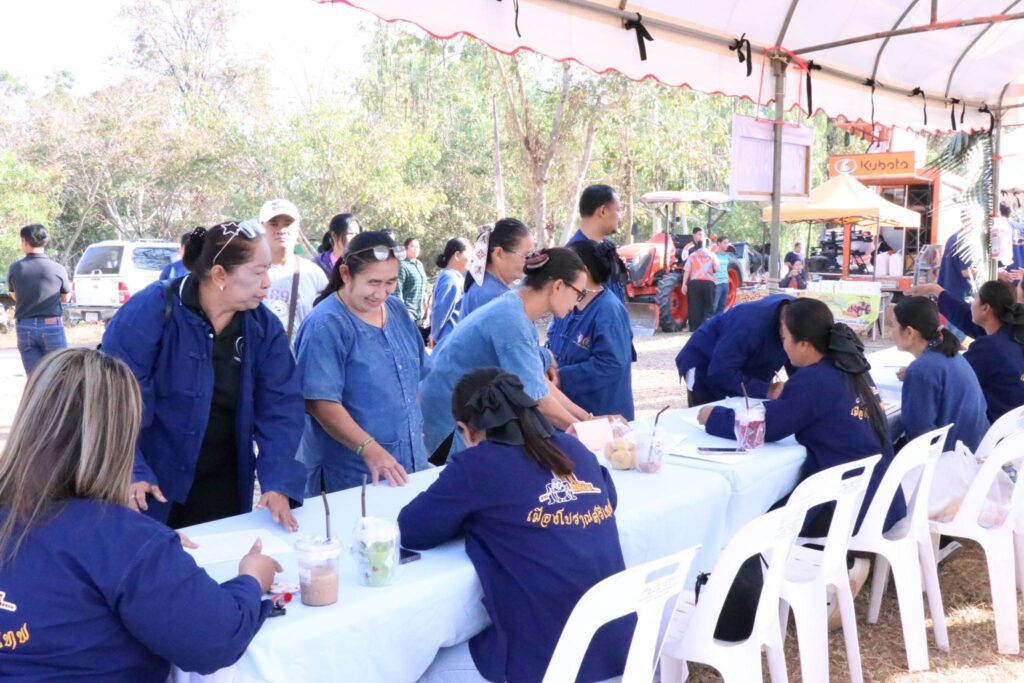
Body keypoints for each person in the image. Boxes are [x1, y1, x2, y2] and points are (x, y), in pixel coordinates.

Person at [0, 348, 281, 682]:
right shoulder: (122, 540)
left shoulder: (116, 540)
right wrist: (252, 578)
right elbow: (216, 640)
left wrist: (148, 552)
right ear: (119, 437)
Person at [400, 368, 631, 683]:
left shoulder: (480, 465)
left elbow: (413, 529)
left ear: (466, 429)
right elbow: (609, 498)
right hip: (623, 651)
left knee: (420, 672)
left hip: (549, 663)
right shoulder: (572, 447)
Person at [102, 222, 306, 530]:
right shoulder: (151, 310)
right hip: (151, 480)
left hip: (223, 478)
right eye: (257, 272)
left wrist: (278, 480)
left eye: (268, 271)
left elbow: (281, 406)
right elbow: (110, 400)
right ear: (220, 274)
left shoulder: (262, 327)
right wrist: (131, 469)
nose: (267, 282)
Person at [698, 298, 905, 535]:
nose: (783, 347)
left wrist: (714, 417)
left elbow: (766, 427)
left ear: (804, 344)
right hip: (881, 497)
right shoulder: (850, 365)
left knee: (748, 525)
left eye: (785, 339)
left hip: (848, 507)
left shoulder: (814, 380)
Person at [421, 248, 597, 463]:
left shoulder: (514, 308)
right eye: (579, 293)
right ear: (558, 286)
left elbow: (537, 384)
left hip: (455, 411)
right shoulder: (512, 321)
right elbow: (537, 400)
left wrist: (588, 419)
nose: (577, 303)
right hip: (449, 421)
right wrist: (586, 432)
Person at [295, 231, 426, 494]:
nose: (381, 292)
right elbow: (319, 402)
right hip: (351, 475)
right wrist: (369, 449)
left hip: (407, 464)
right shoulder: (326, 324)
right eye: (373, 282)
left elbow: (416, 376)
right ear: (346, 274)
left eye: (390, 282)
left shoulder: (397, 310)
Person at [546, 240, 635, 420]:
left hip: (602, 414)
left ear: (583, 271)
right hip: (571, 411)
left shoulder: (609, 311)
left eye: (565, 265)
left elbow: (611, 365)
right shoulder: (567, 304)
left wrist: (562, 376)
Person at [890, 296, 988, 452]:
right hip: (976, 446)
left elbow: (919, 436)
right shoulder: (951, 354)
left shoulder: (921, 369)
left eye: (893, 325)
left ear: (909, 332)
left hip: (950, 457)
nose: (891, 332)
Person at [675, 294, 794, 406]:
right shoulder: (749, 326)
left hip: (741, 364)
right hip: (705, 362)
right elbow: (720, 372)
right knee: (709, 414)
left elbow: (799, 369)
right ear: (783, 326)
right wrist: (765, 389)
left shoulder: (799, 319)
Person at [259, 198, 329, 344]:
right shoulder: (249, 274)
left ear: (297, 229)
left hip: (302, 357)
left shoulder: (314, 274)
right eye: (274, 224)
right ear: (261, 229)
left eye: (288, 224)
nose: (281, 230)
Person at [7, 224, 70, 375]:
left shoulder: (15, 268)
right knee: (60, 375)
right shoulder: (57, 268)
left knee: (34, 377)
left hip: (25, 326)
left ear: (24, 241)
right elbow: (66, 298)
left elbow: (15, 295)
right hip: (51, 325)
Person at [461, 218, 534, 318]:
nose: (530, 261)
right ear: (498, 254)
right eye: (526, 255)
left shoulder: (485, 286)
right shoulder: (492, 296)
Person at [566, 184, 626, 303]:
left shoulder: (608, 249)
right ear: (603, 211)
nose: (620, 217)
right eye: (618, 210)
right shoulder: (573, 256)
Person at [429, 237, 469, 347]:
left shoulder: (450, 276)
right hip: (447, 340)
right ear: (457, 255)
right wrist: (434, 335)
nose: (471, 258)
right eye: (469, 254)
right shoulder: (451, 279)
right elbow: (440, 310)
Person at [937, 230, 976, 340]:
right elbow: (966, 271)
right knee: (956, 334)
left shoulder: (954, 237)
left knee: (952, 333)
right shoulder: (966, 240)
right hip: (960, 294)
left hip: (949, 290)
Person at [681, 235, 718, 332]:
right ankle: (707, 327)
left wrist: (684, 284)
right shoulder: (712, 255)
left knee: (695, 306)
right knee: (709, 305)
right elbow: (717, 268)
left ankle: (694, 328)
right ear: (708, 245)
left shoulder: (692, 255)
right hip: (708, 283)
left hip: (694, 283)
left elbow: (687, 270)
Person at [313, 213, 363, 279]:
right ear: (334, 235)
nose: (355, 238)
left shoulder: (365, 263)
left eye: (357, 234)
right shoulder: (317, 265)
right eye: (350, 233)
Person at [397, 237, 428, 325]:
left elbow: (423, 289)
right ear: (406, 249)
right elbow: (397, 292)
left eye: (417, 247)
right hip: (407, 313)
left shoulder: (419, 264)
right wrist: (402, 312)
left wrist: (426, 308)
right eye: (413, 246)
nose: (416, 249)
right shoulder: (402, 266)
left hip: (420, 314)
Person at [712, 235, 732, 315]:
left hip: (725, 283)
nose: (727, 245)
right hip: (716, 283)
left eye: (728, 243)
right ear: (719, 243)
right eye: (725, 243)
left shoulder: (727, 256)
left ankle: (719, 321)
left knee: (722, 305)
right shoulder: (714, 255)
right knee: (714, 306)